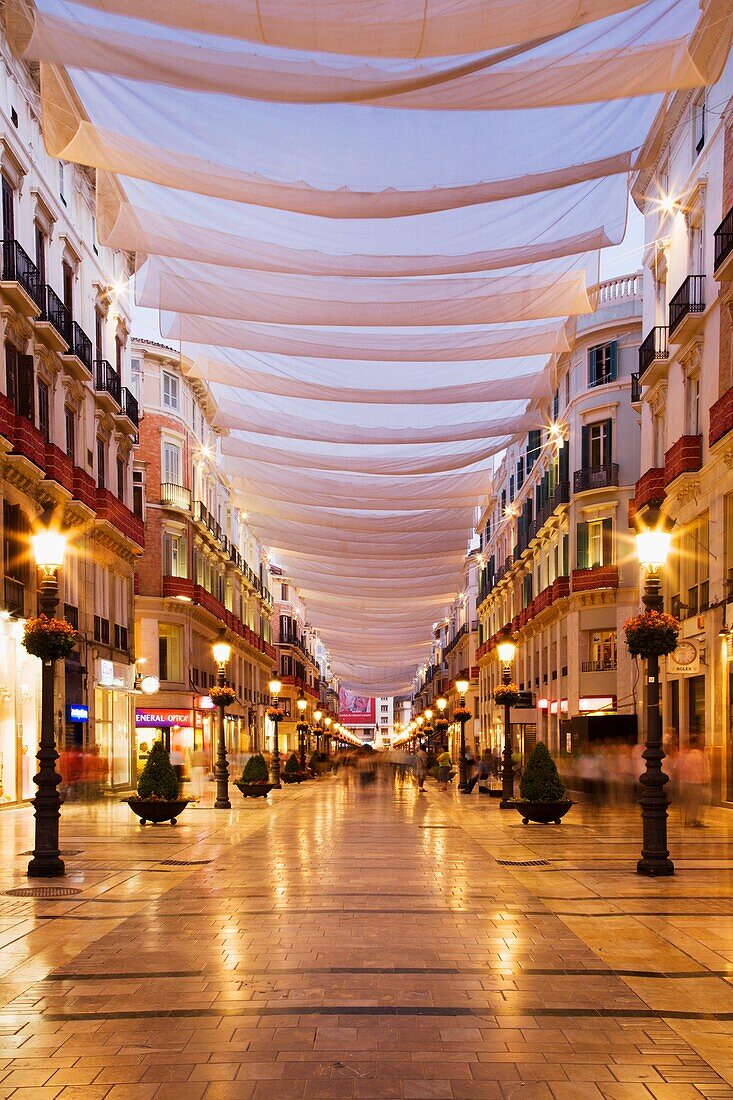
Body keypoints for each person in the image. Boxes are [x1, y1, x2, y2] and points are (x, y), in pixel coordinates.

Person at [678, 734, 711, 827]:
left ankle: (692, 820)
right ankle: (694, 820)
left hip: (691, 782)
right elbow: (703, 769)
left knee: (693, 802)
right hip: (696, 783)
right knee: (695, 802)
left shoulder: (690, 754)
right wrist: (705, 779)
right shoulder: (698, 754)